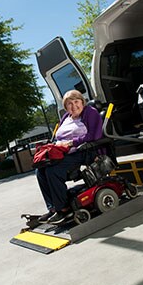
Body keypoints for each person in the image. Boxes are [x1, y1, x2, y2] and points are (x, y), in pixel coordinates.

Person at [36, 90, 103, 224]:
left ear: (82, 102)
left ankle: (63, 209)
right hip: (64, 152)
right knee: (40, 170)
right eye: (69, 104)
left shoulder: (90, 112)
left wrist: (73, 142)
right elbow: (58, 137)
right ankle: (53, 208)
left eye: (76, 102)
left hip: (84, 152)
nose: (73, 106)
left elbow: (95, 136)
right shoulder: (66, 117)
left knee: (52, 171)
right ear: (66, 107)